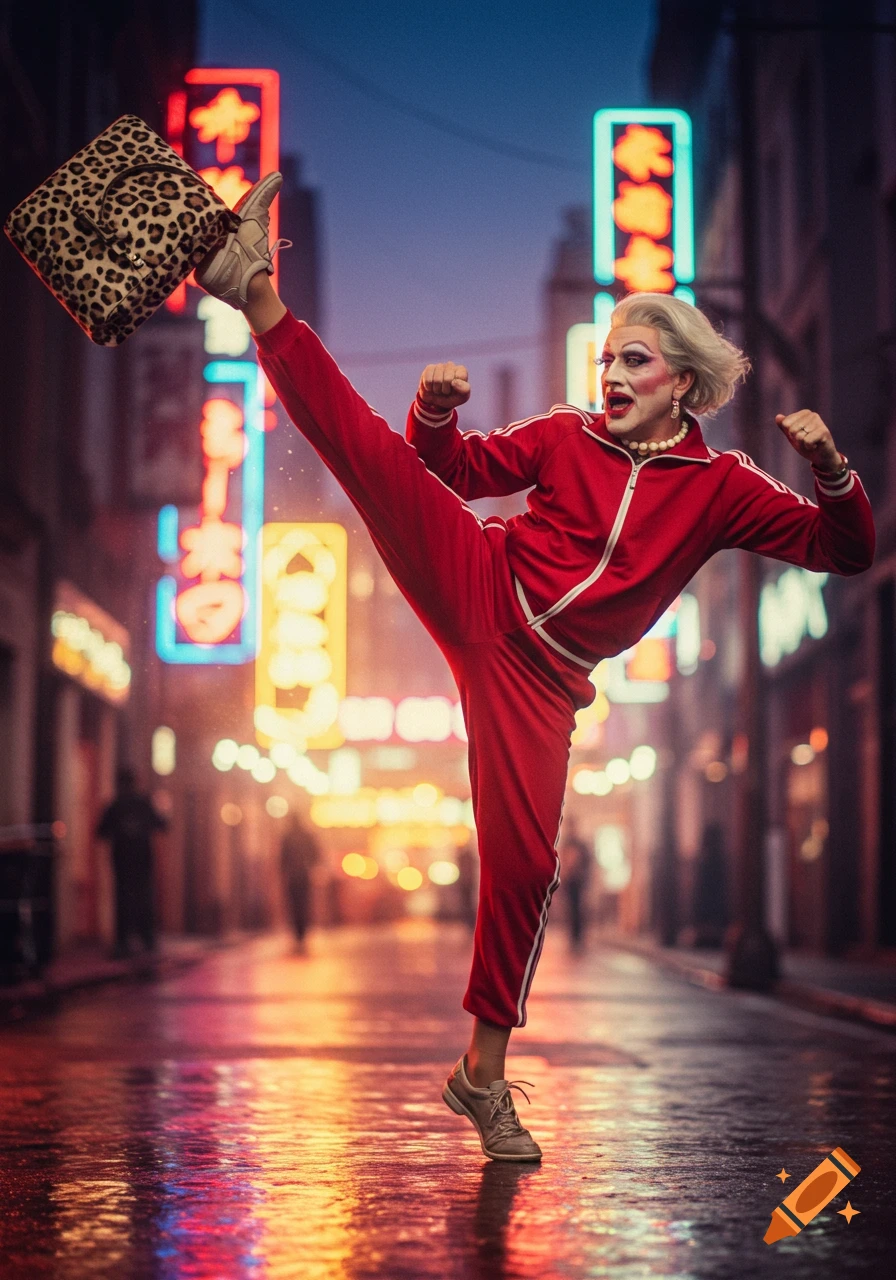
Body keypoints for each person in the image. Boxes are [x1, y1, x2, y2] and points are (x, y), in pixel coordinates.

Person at [195, 174, 875, 1162]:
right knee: (368, 455)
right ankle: (254, 289)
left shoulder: (723, 488)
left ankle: (481, 1074)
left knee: (523, 866)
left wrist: (834, 474)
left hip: (542, 680)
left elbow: (844, 549)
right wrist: (431, 416)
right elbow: (457, 471)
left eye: (632, 360)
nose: (610, 375)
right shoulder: (564, 435)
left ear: (679, 381)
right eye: (605, 358)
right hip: (481, 581)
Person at [96, 768, 167, 959]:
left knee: (123, 900)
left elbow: (101, 832)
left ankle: (124, 942)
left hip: (123, 861)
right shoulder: (144, 803)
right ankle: (145, 939)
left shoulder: (115, 805)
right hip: (141, 860)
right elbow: (162, 825)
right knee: (143, 899)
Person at [279, 811, 321, 951]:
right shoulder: (306, 836)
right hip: (303, 875)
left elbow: (282, 859)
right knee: (303, 905)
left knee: (295, 906)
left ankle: (298, 935)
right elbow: (316, 855)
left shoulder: (288, 837)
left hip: (293, 876)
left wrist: (283, 872)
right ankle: (301, 934)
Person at [558, 817, 592, 952]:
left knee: (578, 908)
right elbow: (561, 860)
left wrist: (583, 873)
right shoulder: (566, 843)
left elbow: (588, 861)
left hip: (578, 880)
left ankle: (579, 937)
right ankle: (573, 937)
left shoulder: (580, 844)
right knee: (571, 909)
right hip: (569, 881)